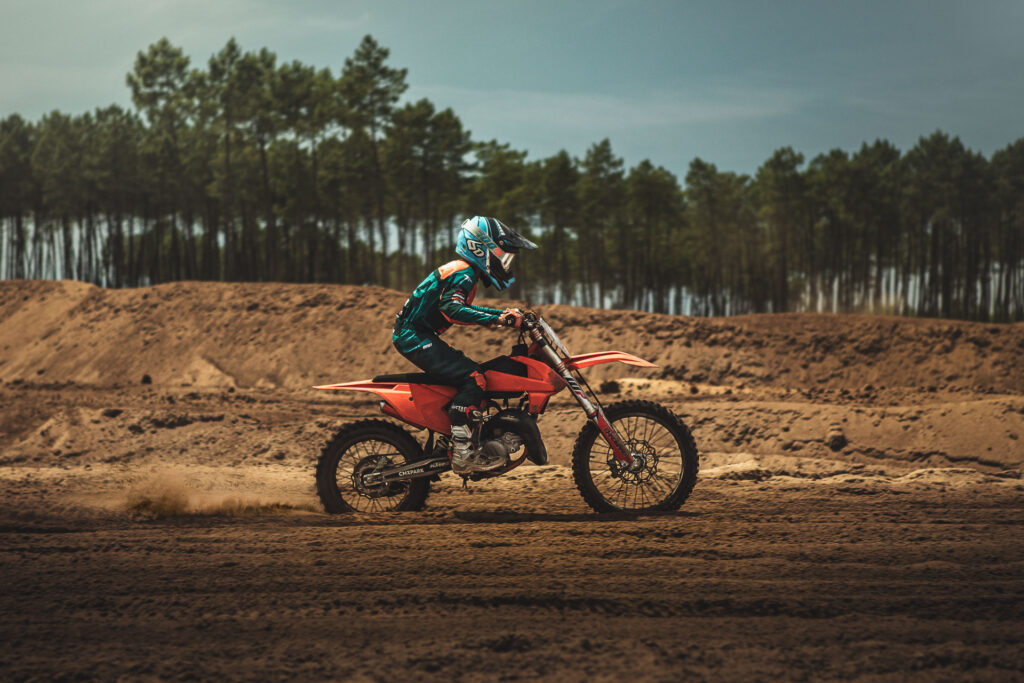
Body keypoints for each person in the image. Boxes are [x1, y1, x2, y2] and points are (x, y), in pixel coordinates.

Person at [392, 216, 536, 474]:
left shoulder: (464, 271)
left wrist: (499, 315)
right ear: (482, 248)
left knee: (471, 376)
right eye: (503, 256)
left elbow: (459, 307)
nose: (505, 264)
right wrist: (497, 319)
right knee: (474, 377)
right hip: (414, 336)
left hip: (417, 335)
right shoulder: (465, 273)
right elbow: (452, 309)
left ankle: (462, 437)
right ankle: (462, 453)